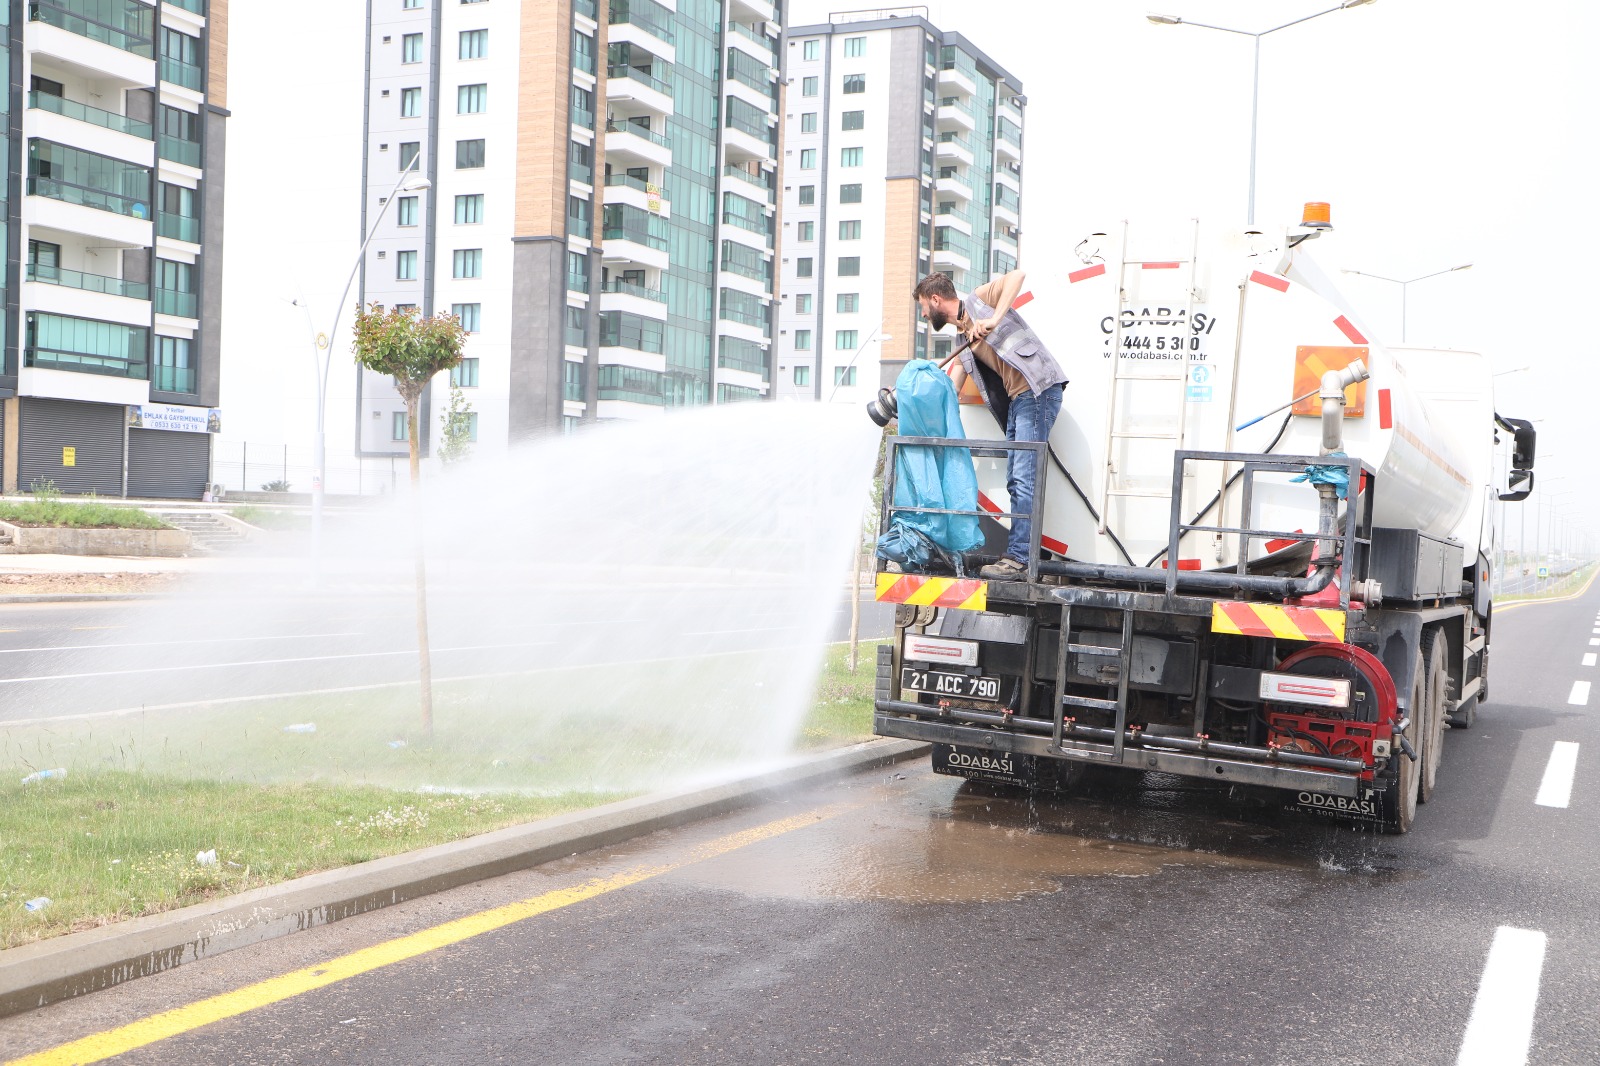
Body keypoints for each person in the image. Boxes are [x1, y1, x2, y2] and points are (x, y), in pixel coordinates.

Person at [914, 269, 1066, 580]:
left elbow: (1018, 276)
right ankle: (1026, 552)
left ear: (935, 298)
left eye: (922, 306)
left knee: (1024, 478)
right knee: (1016, 479)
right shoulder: (963, 340)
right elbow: (951, 388)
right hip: (1020, 402)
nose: (923, 313)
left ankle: (1021, 559)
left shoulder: (978, 301)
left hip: (1037, 390)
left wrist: (994, 319)